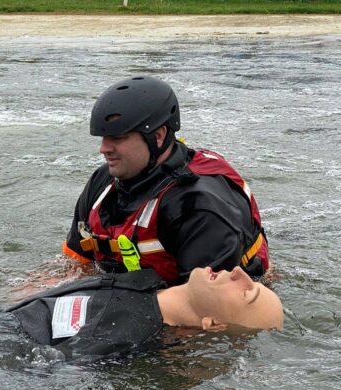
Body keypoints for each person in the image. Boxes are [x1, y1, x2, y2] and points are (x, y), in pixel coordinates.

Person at [62, 75, 269, 286]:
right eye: (103, 139)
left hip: (208, 304)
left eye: (117, 138)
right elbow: (75, 266)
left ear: (158, 136)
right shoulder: (103, 182)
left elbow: (207, 310)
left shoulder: (199, 207)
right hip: (135, 293)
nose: (103, 149)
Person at [8, 266, 283, 359]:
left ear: (213, 324)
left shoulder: (126, 333)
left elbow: (49, 369)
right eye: (252, 281)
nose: (240, 273)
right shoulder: (146, 280)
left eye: (247, 292)